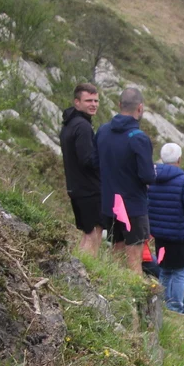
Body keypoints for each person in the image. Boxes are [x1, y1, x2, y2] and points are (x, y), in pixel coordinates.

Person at [97, 87, 155, 272]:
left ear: (119, 105)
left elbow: (94, 162)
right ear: (140, 108)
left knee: (116, 256)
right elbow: (147, 176)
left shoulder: (103, 131)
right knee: (134, 261)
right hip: (133, 207)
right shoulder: (139, 138)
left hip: (110, 206)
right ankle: (134, 290)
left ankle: (114, 288)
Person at [147, 143, 184, 319]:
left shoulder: (152, 179)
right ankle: (176, 307)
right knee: (180, 273)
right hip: (181, 236)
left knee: (165, 270)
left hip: (160, 235)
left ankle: (164, 304)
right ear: (179, 159)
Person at [60, 83, 105, 254]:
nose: (93, 104)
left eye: (96, 101)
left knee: (87, 233)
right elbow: (87, 159)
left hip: (76, 187)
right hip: (89, 189)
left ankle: (78, 265)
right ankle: (85, 267)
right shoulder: (83, 126)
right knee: (94, 233)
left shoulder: (69, 123)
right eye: (88, 101)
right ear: (77, 102)